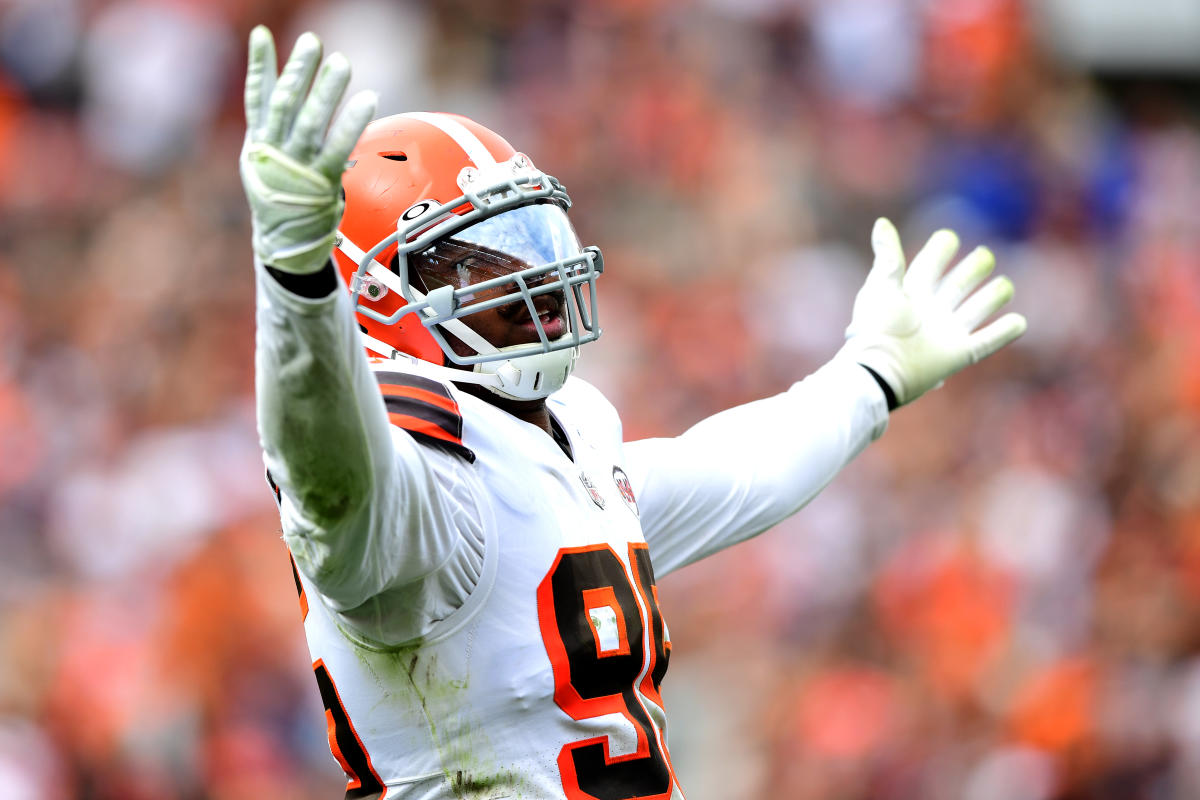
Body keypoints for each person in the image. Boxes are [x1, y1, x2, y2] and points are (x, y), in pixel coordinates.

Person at [241, 25, 1026, 800]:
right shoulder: (414, 488)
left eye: (525, 240)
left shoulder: (557, 439)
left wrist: (868, 374)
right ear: (378, 296)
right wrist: (298, 284)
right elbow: (328, 465)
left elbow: (739, 470)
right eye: (477, 262)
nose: (531, 279)